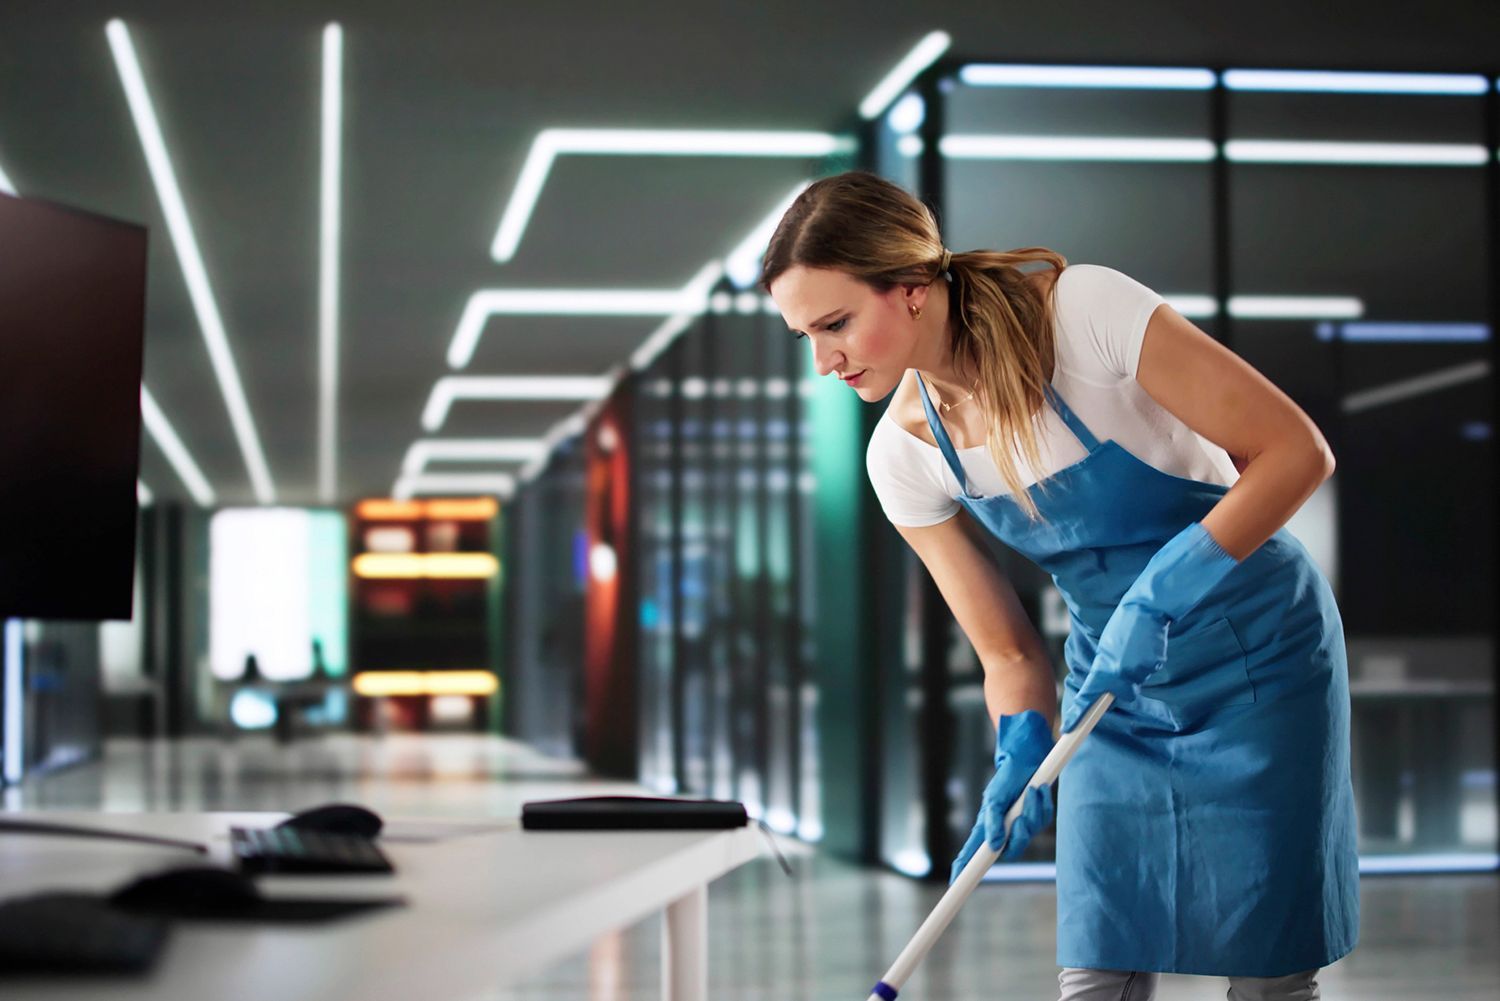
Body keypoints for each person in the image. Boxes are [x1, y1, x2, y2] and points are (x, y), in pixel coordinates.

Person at [761, 171, 1358, 1001]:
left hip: (1259, 659)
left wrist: (1161, 593)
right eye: (805, 336)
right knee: (1097, 962)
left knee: (1266, 969)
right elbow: (1005, 649)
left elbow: (1296, 451)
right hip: (1110, 693)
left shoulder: (1084, 314)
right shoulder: (902, 455)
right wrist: (1017, 748)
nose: (825, 360)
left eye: (836, 324)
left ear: (912, 289)